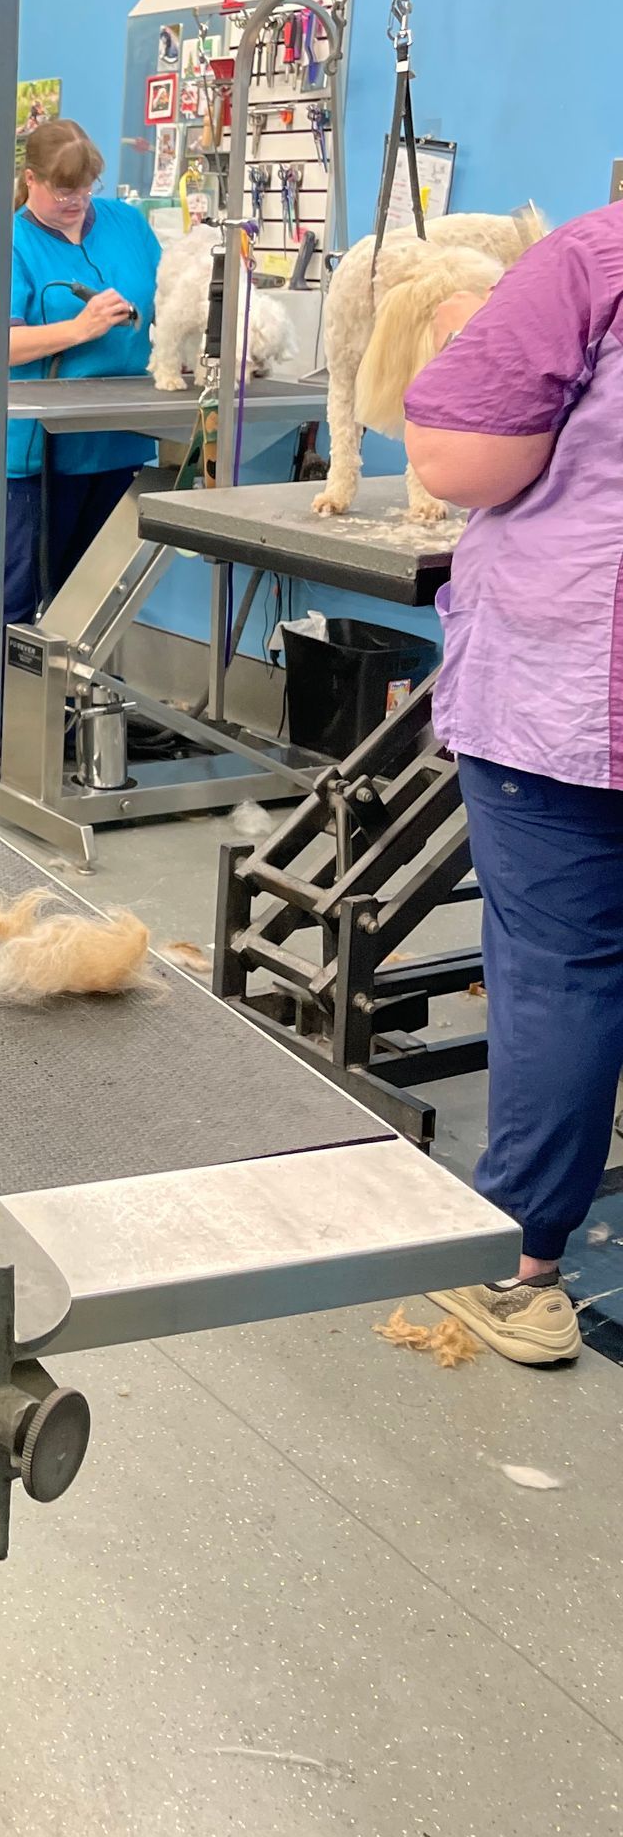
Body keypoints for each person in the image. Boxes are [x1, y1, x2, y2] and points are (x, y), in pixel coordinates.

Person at [402, 206, 623, 1366]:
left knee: (562, 972)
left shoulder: (593, 259)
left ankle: (520, 1267)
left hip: (580, 694)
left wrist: (462, 353)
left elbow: (456, 459)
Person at [6, 119, 162, 625]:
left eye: (86, 188)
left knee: (98, 604)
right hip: (40, 458)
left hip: (124, 443)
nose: (77, 200)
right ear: (31, 179)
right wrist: (80, 328)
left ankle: (83, 704)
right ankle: (10, 705)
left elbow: (171, 299)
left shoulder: (128, 224)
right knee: (19, 606)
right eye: (64, 189)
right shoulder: (8, 242)